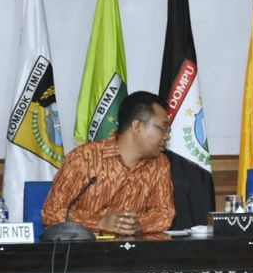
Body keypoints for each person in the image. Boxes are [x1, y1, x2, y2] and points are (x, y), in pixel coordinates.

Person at [42, 91, 175, 235]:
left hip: (132, 253)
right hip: (84, 252)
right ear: (137, 126)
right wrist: (99, 222)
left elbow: (164, 213)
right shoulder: (84, 158)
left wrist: (139, 225)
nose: (167, 136)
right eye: (163, 128)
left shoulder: (160, 164)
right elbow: (51, 212)